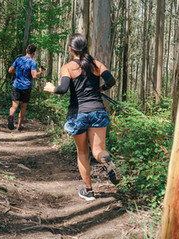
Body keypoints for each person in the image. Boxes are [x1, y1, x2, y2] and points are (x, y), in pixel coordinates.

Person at [43, 33, 120, 201]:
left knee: (82, 153)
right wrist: (102, 88)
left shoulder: (68, 67)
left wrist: (51, 88)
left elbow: (62, 89)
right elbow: (111, 81)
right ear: (86, 47)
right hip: (98, 111)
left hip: (78, 114)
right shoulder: (96, 64)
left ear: (71, 49)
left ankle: (89, 191)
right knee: (98, 150)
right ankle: (105, 159)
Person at [7, 44, 43, 131]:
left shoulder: (18, 59)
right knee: (23, 107)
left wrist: (17, 70)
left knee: (14, 105)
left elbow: (10, 70)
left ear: (26, 51)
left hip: (16, 85)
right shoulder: (32, 63)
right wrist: (40, 72)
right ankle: (19, 125)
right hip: (26, 87)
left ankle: (11, 116)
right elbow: (34, 76)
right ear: (33, 53)